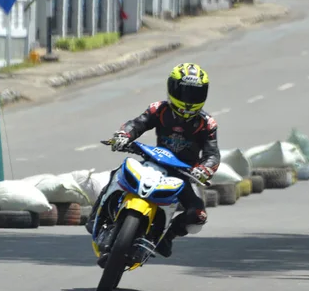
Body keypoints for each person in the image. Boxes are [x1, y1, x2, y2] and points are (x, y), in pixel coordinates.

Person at [89, 63, 220, 264]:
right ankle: (97, 216)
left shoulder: (207, 123)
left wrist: (205, 169)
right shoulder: (159, 109)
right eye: (184, 92)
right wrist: (124, 135)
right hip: (153, 162)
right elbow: (137, 124)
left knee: (198, 215)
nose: (188, 100)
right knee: (118, 173)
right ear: (172, 88)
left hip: (182, 174)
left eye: (195, 94)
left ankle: (166, 237)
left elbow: (213, 154)